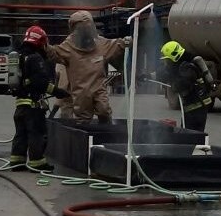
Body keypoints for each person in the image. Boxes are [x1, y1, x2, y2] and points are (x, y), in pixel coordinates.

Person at [45, 10, 131, 124]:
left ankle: (107, 136)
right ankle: (82, 139)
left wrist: (126, 42)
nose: (86, 32)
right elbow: (54, 53)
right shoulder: (68, 47)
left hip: (99, 88)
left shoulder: (100, 43)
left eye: (88, 28)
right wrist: (44, 46)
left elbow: (115, 45)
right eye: (82, 29)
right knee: (83, 119)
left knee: (104, 111)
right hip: (81, 92)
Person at [9, 26, 70, 172]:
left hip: (20, 106)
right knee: (36, 133)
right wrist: (58, 91)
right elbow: (41, 83)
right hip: (33, 106)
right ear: (40, 42)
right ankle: (38, 163)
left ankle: (17, 162)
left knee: (20, 135)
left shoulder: (19, 56)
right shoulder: (36, 58)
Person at [155, 40, 214, 132]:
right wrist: (147, 76)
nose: (166, 62)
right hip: (193, 108)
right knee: (188, 133)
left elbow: (182, 84)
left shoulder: (186, 67)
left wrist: (174, 85)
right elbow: (166, 73)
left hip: (196, 109)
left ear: (173, 57)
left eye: (167, 59)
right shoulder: (180, 65)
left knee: (191, 135)